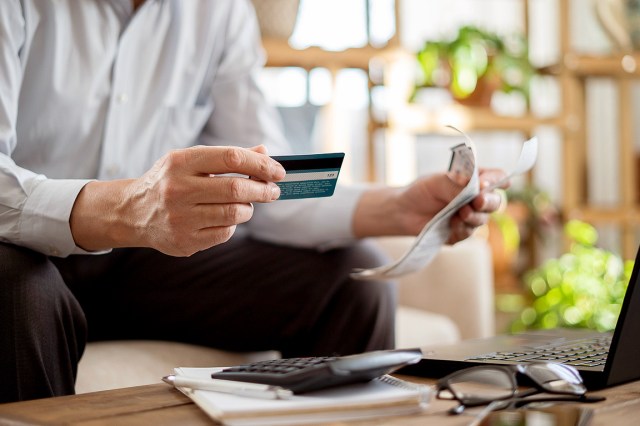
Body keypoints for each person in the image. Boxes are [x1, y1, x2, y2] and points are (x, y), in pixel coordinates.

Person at [0, 0, 507, 403]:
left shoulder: (219, 11)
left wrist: (398, 208)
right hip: (23, 253)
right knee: (19, 288)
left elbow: (269, 183)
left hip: (143, 264)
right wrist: (126, 207)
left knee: (352, 279)